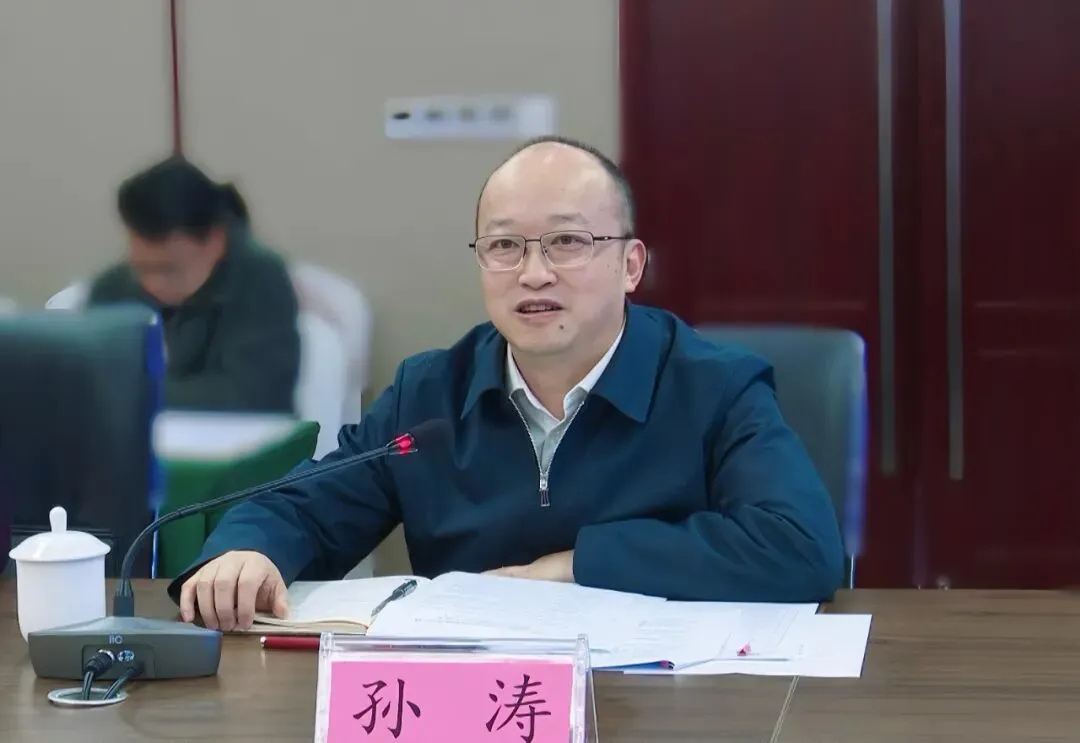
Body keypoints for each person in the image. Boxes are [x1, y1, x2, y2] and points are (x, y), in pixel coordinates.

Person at [170, 136, 844, 631]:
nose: (534, 273)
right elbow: (308, 505)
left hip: (656, 702)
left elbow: (801, 547)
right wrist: (248, 548)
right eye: (504, 246)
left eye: (567, 242)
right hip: (466, 703)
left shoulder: (714, 386)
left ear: (631, 265)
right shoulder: (430, 393)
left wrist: (575, 564)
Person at [87, 156, 300, 413]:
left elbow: (249, 395)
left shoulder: (260, 281)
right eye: (141, 268)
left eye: (168, 270)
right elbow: (89, 381)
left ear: (216, 241)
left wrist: (132, 392)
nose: (151, 285)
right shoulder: (114, 289)